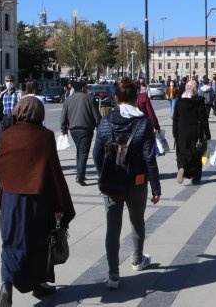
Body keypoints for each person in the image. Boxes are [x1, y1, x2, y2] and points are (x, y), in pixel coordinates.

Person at [0, 96, 76, 305]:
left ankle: (7, 283)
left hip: (11, 199)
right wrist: (61, 204)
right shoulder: (45, 136)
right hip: (38, 199)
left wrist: (11, 180)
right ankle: (39, 285)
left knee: (11, 242)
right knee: (38, 243)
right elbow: (53, 171)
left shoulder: (8, 134)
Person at [92, 77, 161, 290]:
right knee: (137, 220)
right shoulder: (143, 123)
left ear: (115, 98)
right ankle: (138, 259)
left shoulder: (105, 122)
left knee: (113, 227)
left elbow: (96, 154)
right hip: (137, 181)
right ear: (135, 99)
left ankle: (113, 275)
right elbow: (150, 157)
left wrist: (104, 173)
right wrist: (156, 187)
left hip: (112, 182)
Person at [173, 80, 211, 185]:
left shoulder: (179, 101)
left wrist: (174, 132)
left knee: (181, 151)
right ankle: (196, 177)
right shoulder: (199, 101)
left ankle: (181, 167)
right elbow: (204, 119)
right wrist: (207, 134)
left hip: (182, 130)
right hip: (196, 131)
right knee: (196, 153)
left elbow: (175, 118)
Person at [60, 80, 97, 186]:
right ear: (82, 88)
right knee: (83, 152)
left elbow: (63, 117)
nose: (87, 89)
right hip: (86, 129)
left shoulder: (68, 100)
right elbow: (96, 116)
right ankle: (80, 176)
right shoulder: (89, 98)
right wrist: (100, 127)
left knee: (79, 150)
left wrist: (64, 130)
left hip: (73, 130)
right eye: (86, 87)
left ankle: (81, 173)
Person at [0, 75, 20, 145]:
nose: (9, 82)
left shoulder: (17, 94)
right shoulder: (2, 94)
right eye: (7, 81)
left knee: (14, 140)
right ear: (4, 82)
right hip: (4, 118)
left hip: (14, 119)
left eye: (10, 81)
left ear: (14, 82)